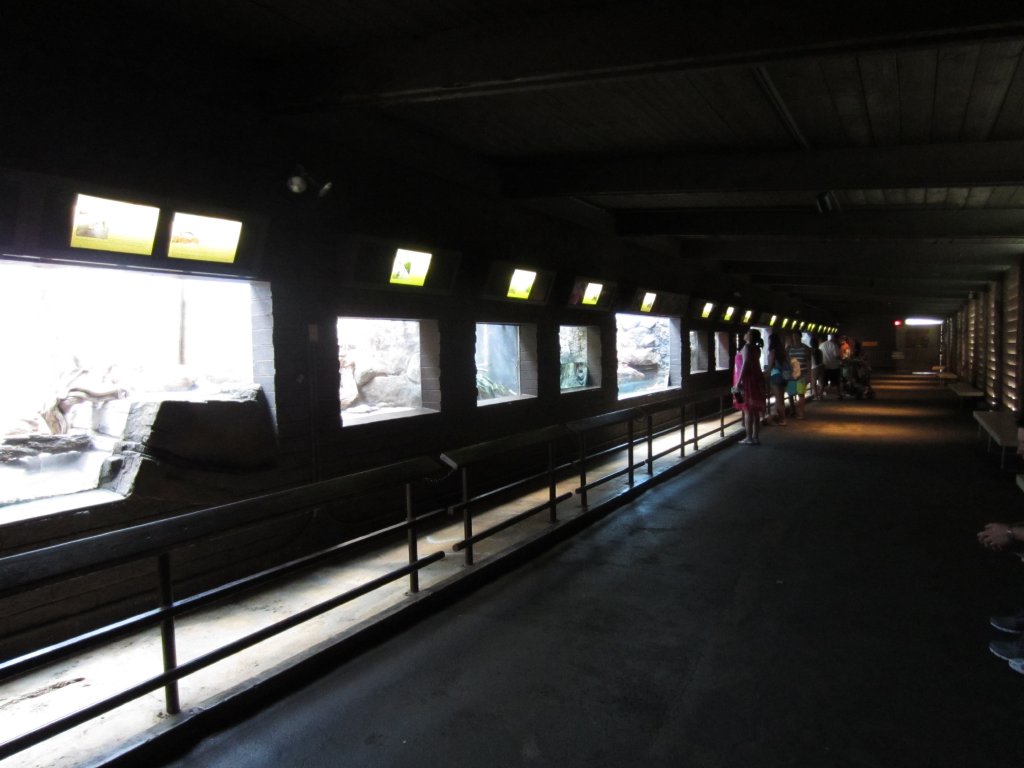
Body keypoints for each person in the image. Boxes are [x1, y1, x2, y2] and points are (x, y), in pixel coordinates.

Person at [732, 328, 766, 444]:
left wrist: (738, 382)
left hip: (745, 380)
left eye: (747, 333)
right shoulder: (757, 349)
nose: (745, 334)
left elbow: (745, 363)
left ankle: (748, 437)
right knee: (754, 410)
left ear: (750, 336)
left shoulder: (746, 347)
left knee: (747, 409)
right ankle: (755, 437)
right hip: (755, 380)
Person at [786, 332, 811, 419]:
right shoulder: (790, 348)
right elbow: (787, 360)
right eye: (793, 337)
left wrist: (809, 374)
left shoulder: (805, 348)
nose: (795, 338)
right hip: (792, 374)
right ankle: (793, 410)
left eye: (796, 336)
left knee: (801, 393)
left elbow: (808, 362)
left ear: (800, 337)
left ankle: (801, 413)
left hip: (802, 373)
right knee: (790, 393)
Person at [766, 332, 789, 425]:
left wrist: (765, 374)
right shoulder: (783, 351)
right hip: (784, 376)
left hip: (776, 376)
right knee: (781, 398)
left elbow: (770, 367)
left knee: (778, 399)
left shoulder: (773, 352)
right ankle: (778, 418)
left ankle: (782, 420)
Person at [820, 333, 842, 400]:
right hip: (834, 367)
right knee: (837, 382)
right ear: (835, 338)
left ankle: (820, 395)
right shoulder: (834, 345)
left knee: (823, 383)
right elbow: (837, 356)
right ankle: (839, 395)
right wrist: (842, 359)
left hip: (824, 366)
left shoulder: (822, 344)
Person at [809, 335, 824, 401]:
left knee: (813, 383)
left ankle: (816, 396)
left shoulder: (811, 351)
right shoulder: (820, 351)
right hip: (821, 367)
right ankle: (821, 396)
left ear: (811, 344)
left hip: (814, 368)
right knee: (821, 382)